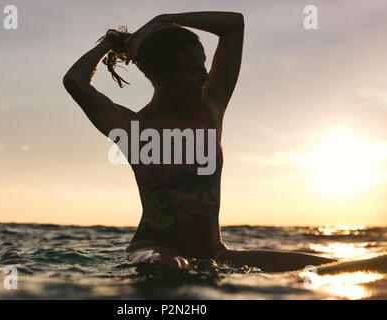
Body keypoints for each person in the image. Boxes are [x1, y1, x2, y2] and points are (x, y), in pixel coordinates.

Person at [63, 11, 335, 272]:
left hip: (215, 254)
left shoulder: (211, 109)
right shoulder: (132, 129)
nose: (205, 76)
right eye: (194, 70)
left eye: (203, 64)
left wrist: (166, 20)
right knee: (172, 265)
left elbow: (233, 25)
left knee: (329, 267)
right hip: (153, 249)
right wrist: (113, 43)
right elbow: (75, 81)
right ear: (166, 76)